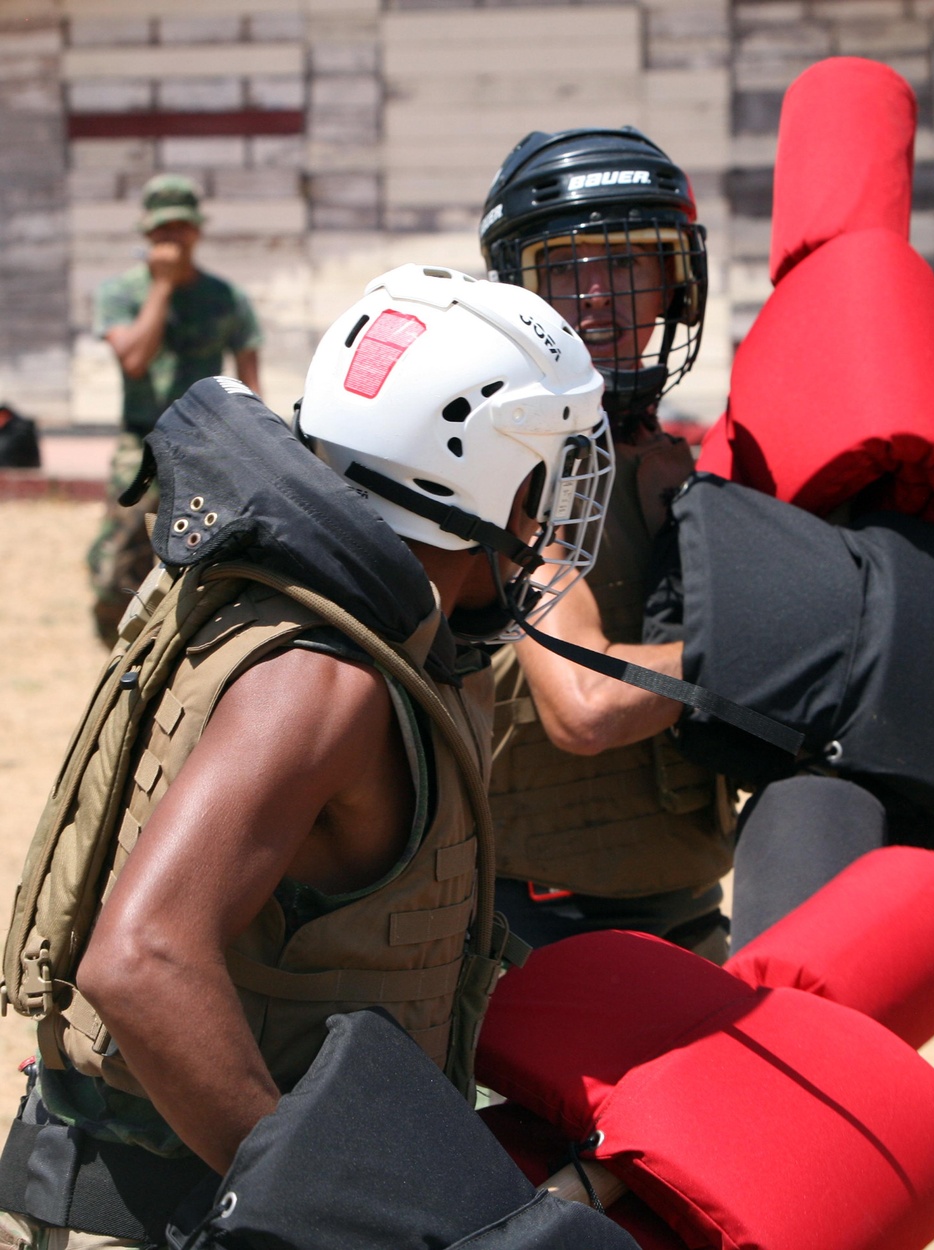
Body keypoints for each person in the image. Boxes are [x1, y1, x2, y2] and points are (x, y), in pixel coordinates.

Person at [0, 264, 612, 1247]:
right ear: (490, 478)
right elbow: (143, 957)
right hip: (179, 1212)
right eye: (545, 479)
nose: (544, 523)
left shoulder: (343, 617)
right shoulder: (328, 678)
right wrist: (326, 1213)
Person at [480, 126, 736, 960]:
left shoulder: (676, 463)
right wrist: (782, 650)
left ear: (675, 284)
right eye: (562, 269)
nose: (595, 297)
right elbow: (586, 707)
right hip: (534, 933)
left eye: (625, 264)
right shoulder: (509, 464)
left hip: (688, 908)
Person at [87, 173, 263, 648]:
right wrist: (161, 288)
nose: (171, 239)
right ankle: (118, 654)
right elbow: (135, 360)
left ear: (197, 231)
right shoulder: (120, 293)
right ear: (145, 235)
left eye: (180, 228)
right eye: (161, 231)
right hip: (140, 445)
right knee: (115, 569)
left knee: (206, 561)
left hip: (203, 443)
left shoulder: (225, 298)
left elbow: (249, 378)